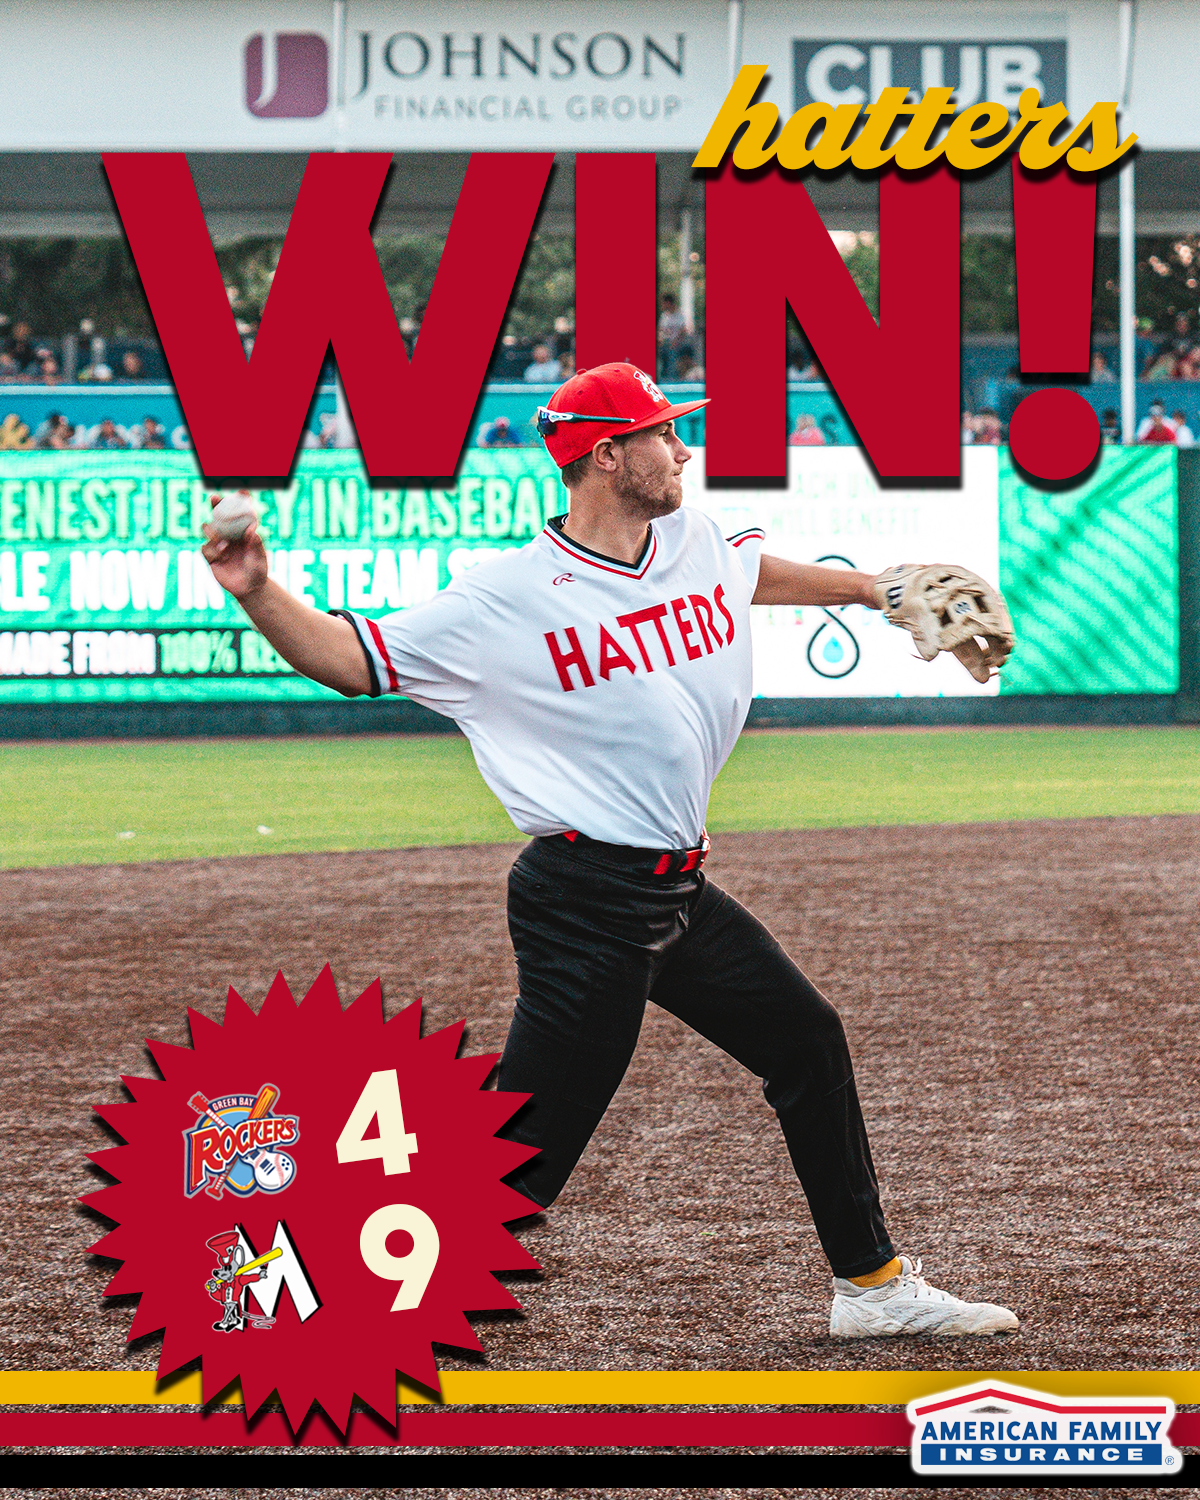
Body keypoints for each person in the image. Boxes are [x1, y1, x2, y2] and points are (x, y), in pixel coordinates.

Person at [201, 362, 1019, 1338]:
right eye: (662, 434)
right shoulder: (504, 598)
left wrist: (875, 588)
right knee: (523, 1157)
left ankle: (873, 1290)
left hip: (677, 892)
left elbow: (752, 571)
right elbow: (351, 659)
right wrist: (258, 590)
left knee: (807, 1041)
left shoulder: (692, 539)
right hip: (586, 901)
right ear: (606, 455)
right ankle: (293, 1286)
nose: (682, 448)